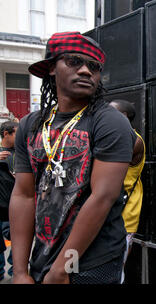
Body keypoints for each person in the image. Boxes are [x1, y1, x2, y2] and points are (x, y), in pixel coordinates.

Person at [10, 31, 136, 284]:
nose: (86, 71)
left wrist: (62, 268)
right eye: (74, 62)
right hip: (43, 254)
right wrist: (20, 271)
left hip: (92, 261)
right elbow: (23, 195)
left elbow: (103, 197)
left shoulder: (110, 122)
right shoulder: (30, 125)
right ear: (52, 68)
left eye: (93, 66)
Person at [109, 99, 146, 283]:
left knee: (115, 269)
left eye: (110, 111)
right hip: (108, 212)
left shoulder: (134, 140)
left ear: (123, 117)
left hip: (124, 213)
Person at [0, 121, 18, 281]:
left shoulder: (20, 153)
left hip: (14, 208)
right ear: (6, 134)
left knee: (18, 240)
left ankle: (16, 271)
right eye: (16, 133)